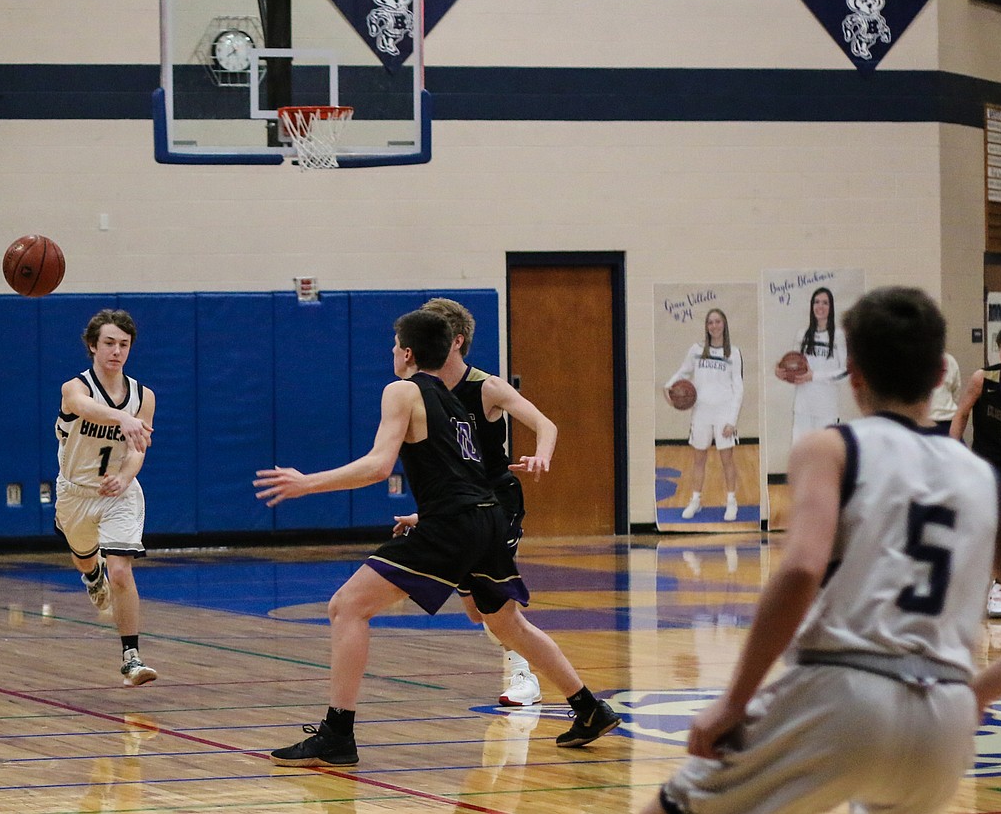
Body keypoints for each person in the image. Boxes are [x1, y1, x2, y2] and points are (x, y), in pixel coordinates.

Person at [643, 286, 1001, 814]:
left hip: (847, 689)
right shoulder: (990, 485)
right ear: (940, 375)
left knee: (675, 805)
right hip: (944, 722)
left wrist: (734, 700)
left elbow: (800, 569)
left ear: (855, 374)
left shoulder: (832, 447)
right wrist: (974, 696)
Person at [254, 309, 618, 767]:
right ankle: (588, 707)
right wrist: (425, 515)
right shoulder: (451, 398)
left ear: (407, 352)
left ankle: (337, 733)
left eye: (393, 345)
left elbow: (378, 466)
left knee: (346, 607)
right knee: (507, 624)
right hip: (485, 518)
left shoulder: (403, 389)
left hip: (456, 521)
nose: (391, 353)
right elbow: (459, 472)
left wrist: (308, 483)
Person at [389, 296, 557, 708]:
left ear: (455, 340)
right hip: (457, 507)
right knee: (476, 611)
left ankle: (524, 676)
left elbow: (545, 424)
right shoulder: (419, 392)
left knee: (492, 602)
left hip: (497, 501)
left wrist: (541, 455)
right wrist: (426, 515)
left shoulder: (487, 387)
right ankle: (543, 676)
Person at [54, 308, 158, 686]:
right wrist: (122, 420)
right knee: (84, 558)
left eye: (124, 344)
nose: (117, 351)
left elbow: (138, 450)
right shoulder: (75, 388)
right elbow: (84, 408)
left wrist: (125, 476)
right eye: (109, 343)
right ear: (92, 347)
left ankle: (131, 656)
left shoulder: (143, 396)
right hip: (76, 493)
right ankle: (89, 573)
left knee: (121, 570)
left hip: (118, 492)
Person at [950, 321, 1001, 619]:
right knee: (989, 530)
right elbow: (962, 413)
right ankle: (992, 584)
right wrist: (952, 451)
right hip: (987, 465)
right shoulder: (984, 379)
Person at [664, 308, 744, 522]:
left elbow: (739, 388)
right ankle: (696, 500)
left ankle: (731, 501)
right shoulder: (696, 350)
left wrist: (732, 420)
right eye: (710, 322)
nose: (714, 326)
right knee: (699, 459)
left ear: (724, 325)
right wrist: (669, 386)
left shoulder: (733, 353)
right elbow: (683, 372)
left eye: (718, 321)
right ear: (706, 326)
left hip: (724, 412)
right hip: (701, 412)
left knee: (727, 459)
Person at [776, 286, 848, 445]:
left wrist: (814, 376)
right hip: (803, 407)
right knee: (800, 457)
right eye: (817, 302)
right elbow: (792, 364)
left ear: (831, 307)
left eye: (825, 303)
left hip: (826, 409)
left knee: (825, 459)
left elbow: (845, 372)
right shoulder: (802, 334)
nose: (820, 306)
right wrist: (780, 370)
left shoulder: (839, 335)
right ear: (812, 306)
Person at [926, 351, 961, 436]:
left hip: (947, 422)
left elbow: (956, 392)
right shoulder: (910, 361)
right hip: (922, 424)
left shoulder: (949, 361)